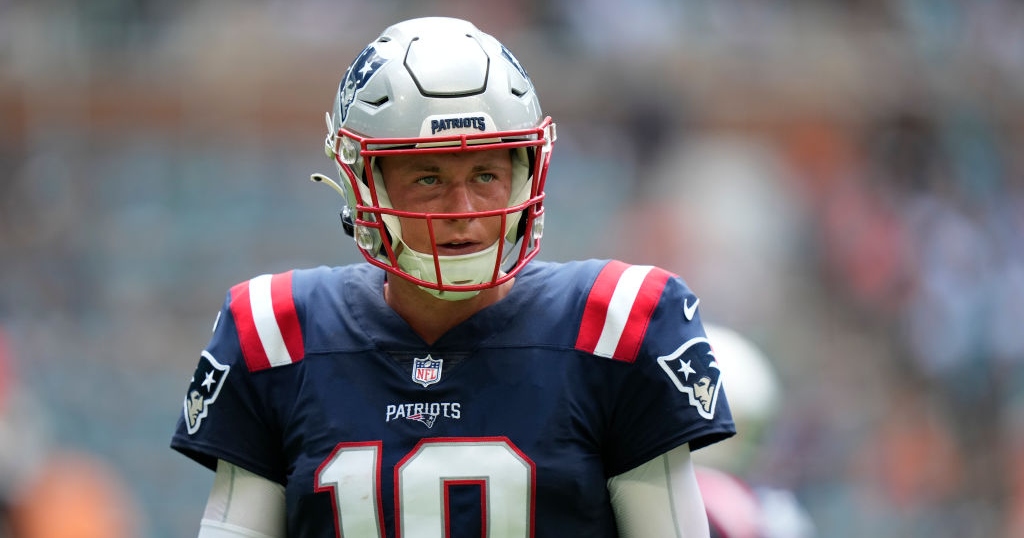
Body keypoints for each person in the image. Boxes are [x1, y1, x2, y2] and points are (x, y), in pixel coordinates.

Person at [170, 16, 734, 538]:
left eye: (486, 173)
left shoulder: (618, 326)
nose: (463, 208)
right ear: (366, 186)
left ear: (524, 176)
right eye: (428, 178)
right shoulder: (274, 332)